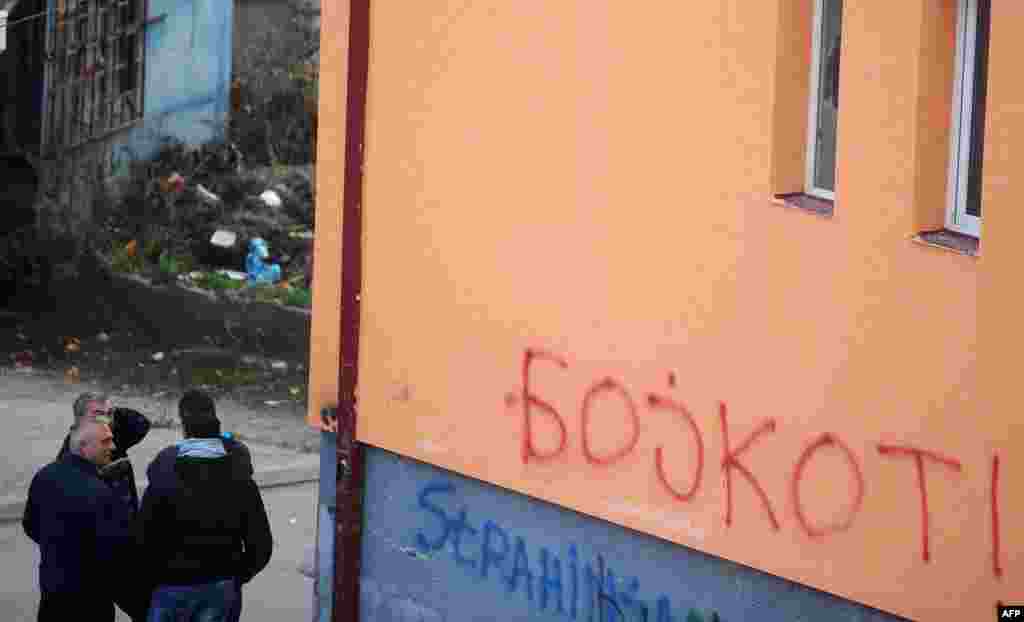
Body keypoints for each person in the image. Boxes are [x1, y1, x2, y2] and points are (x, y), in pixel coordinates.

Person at [139, 390, 273, 622]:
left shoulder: (164, 472)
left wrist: (156, 576)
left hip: (171, 585)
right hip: (221, 584)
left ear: (184, 424)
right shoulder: (239, 475)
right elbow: (261, 543)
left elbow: (143, 536)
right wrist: (237, 575)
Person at [23, 419, 135, 622]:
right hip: (90, 603)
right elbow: (119, 555)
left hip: (52, 597)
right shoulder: (102, 493)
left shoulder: (44, 476)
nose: (113, 446)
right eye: (106, 441)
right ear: (84, 447)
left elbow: (30, 526)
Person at [56, 392, 153, 622]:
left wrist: (110, 411)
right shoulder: (69, 455)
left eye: (108, 415)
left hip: (127, 550)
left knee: (149, 611)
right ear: (79, 419)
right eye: (97, 414)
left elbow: (140, 424)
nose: (105, 419)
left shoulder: (113, 439)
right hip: (95, 562)